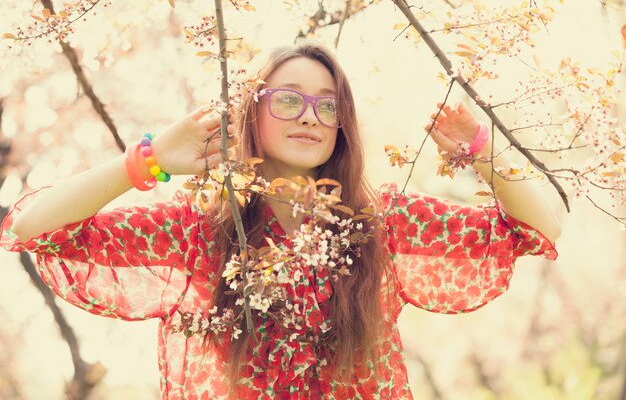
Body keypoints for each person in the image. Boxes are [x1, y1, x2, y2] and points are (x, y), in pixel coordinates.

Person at [0, 41, 560, 400]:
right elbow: (30, 229)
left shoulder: (381, 221)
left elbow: (537, 229)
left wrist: (481, 150)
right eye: (288, 100)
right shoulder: (201, 230)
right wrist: (146, 160)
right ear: (252, 110)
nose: (310, 116)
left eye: (328, 103)